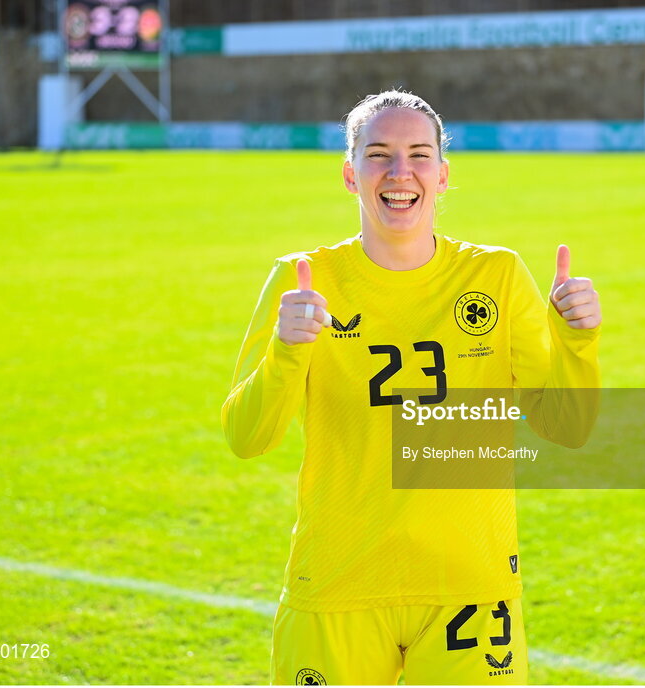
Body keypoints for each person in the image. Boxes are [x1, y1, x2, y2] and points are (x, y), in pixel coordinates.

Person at [221, 90, 601, 685]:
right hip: (339, 582)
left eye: (419, 155)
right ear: (350, 174)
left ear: (443, 175)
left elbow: (567, 426)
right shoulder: (304, 280)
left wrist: (578, 342)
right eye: (379, 155)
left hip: (469, 588)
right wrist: (286, 350)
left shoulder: (496, 276)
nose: (401, 172)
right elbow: (247, 437)